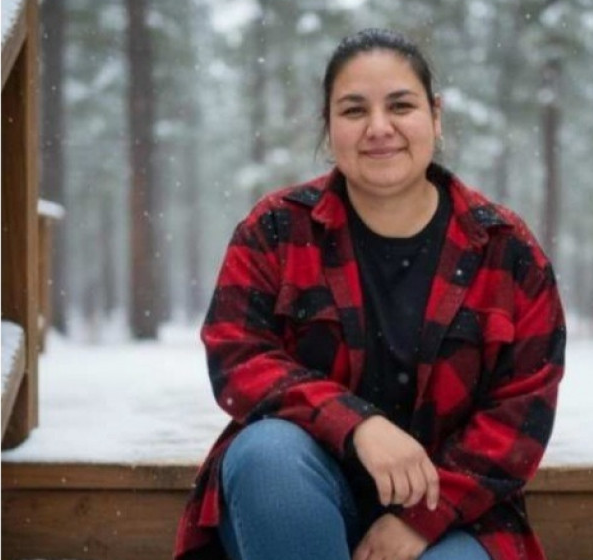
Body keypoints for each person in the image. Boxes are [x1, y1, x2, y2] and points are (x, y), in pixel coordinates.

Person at [174, 28, 565, 560]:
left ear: (435, 116)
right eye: (354, 110)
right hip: (302, 492)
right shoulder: (276, 230)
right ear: (328, 125)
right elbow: (237, 357)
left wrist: (419, 519)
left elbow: (522, 413)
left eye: (401, 105)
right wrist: (357, 424)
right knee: (266, 455)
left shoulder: (506, 249)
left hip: (453, 512)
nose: (379, 128)